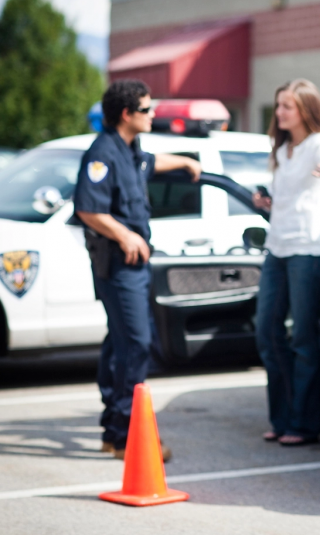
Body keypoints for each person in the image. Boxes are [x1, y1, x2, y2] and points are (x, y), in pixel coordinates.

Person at [74, 79, 202, 461]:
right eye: (147, 110)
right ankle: (131, 435)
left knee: (119, 343)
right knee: (137, 343)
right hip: (119, 264)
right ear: (127, 114)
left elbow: (150, 164)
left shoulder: (130, 150)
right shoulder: (102, 153)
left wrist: (183, 161)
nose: (153, 115)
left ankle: (114, 431)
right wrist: (126, 236)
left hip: (135, 266)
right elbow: (88, 208)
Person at [253, 79, 320, 447]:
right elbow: (288, 196)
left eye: (287, 105)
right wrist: (268, 202)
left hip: (309, 249)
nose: (280, 112)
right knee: (267, 331)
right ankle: (282, 417)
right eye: (278, 106)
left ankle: (304, 424)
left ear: (305, 108)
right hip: (277, 246)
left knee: (303, 337)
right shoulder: (283, 148)